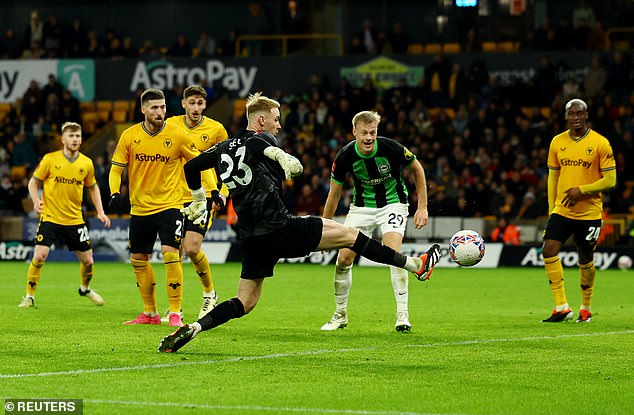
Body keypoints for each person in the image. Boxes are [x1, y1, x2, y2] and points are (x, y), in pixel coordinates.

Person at [158, 92, 441, 352]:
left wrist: (197, 198)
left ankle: (195, 327)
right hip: (280, 227)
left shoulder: (223, 147)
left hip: (251, 236)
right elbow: (262, 147)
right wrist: (282, 156)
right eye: (276, 120)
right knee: (352, 236)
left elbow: (190, 166)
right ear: (261, 120)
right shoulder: (262, 139)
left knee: (245, 301)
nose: (279, 126)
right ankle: (415, 265)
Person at [319, 110, 430, 333]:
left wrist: (423, 207)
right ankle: (340, 315)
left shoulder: (390, 147)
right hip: (361, 208)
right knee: (344, 258)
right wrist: (324, 226)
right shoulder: (344, 156)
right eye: (364, 133)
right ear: (354, 132)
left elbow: (417, 168)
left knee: (393, 254)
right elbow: (334, 193)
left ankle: (402, 315)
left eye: (373, 132)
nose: (369, 137)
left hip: (393, 203)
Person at [108, 89, 204, 327]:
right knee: (138, 259)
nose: (160, 111)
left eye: (162, 107)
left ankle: (174, 313)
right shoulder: (130, 136)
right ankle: (150, 313)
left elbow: (197, 164)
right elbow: (116, 169)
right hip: (139, 208)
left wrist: (203, 194)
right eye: (154, 108)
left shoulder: (177, 135)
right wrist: (113, 191)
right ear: (143, 110)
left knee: (171, 253)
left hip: (170, 205)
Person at [18, 121, 111, 308]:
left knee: (88, 261)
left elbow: (93, 188)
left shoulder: (86, 163)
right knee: (39, 256)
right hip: (50, 217)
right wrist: (36, 201)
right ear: (63, 139)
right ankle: (29, 296)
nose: (75, 139)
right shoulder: (50, 160)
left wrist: (100, 211)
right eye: (71, 136)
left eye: (78, 136)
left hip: (75, 219)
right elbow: (33, 183)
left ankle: (84, 288)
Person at [541, 98, 616, 323]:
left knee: (585, 258)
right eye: (571, 113)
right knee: (548, 250)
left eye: (579, 113)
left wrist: (581, 190)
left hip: (590, 213)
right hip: (562, 211)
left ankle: (586, 307)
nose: (575, 117)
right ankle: (562, 306)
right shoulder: (557, 142)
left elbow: (611, 179)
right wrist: (551, 209)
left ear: (586, 116)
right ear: (566, 117)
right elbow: (553, 177)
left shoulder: (601, 143)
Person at [164, 85, 228, 320]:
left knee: (191, 247)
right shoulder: (170, 125)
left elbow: (228, 164)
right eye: (192, 103)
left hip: (204, 197)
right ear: (183, 104)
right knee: (175, 252)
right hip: (174, 197)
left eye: (200, 103)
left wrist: (222, 192)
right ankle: (175, 308)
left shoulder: (216, 129)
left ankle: (210, 294)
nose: (196, 108)